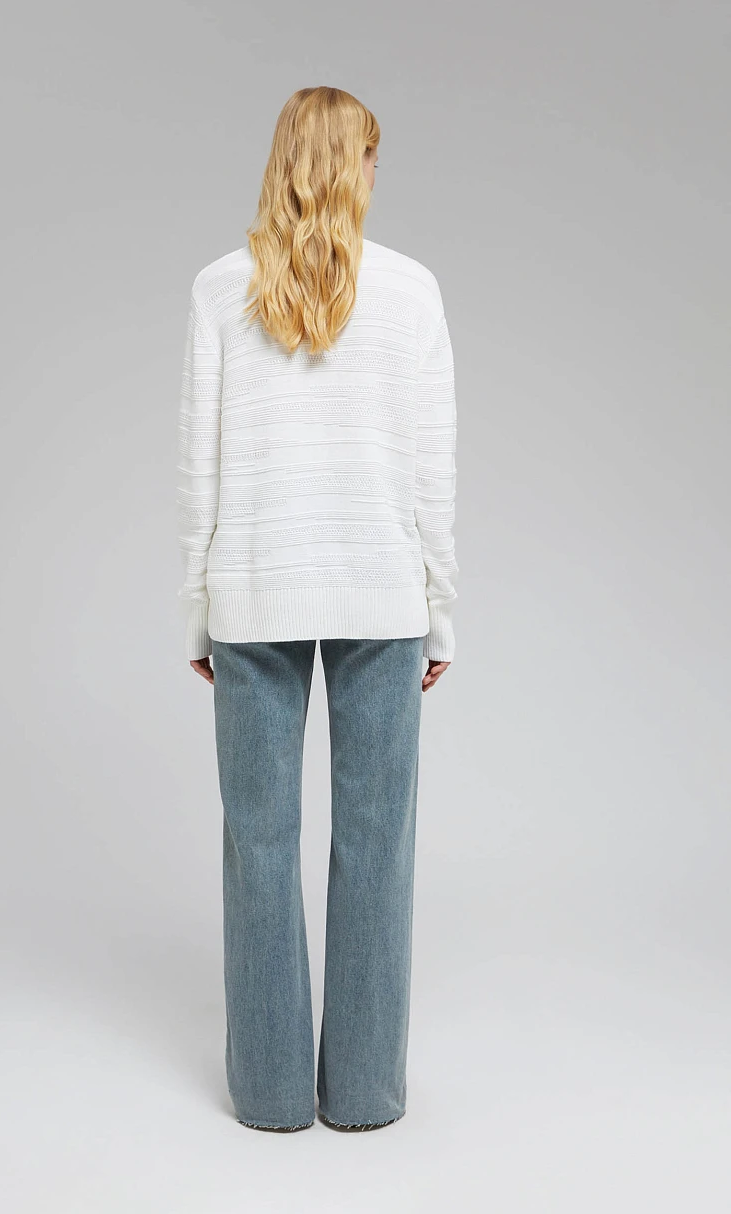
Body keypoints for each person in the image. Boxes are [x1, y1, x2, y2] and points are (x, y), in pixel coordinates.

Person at [176, 86, 457, 1133]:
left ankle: (268, 1093)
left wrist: (198, 608)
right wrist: (439, 608)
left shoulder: (220, 287)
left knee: (257, 842)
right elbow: (432, 472)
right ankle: (367, 1094)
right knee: (377, 842)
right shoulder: (412, 291)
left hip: (254, 592)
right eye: (373, 159)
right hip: (381, 591)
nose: (377, 176)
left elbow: (197, 472)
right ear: (355, 165)